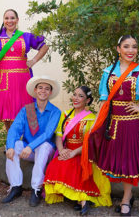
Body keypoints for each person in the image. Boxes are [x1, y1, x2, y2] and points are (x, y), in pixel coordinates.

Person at [83, 35, 139, 216]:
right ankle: (116, 194)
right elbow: (104, 101)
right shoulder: (108, 72)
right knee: (117, 161)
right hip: (112, 124)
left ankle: (126, 199)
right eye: (126, 46)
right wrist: (96, 123)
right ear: (118, 49)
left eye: (134, 47)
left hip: (132, 124)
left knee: (129, 162)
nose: (131, 50)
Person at [44, 86, 112, 216]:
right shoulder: (65, 115)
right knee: (56, 165)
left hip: (84, 152)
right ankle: (79, 199)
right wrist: (61, 150)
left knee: (79, 167)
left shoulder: (92, 119)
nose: (76, 98)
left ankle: (82, 201)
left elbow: (90, 142)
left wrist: (74, 152)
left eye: (80, 96)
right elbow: (59, 135)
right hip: (67, 150)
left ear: (87, 100)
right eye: (74, 94)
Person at [0, 9, 49, 131]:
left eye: (12, 18)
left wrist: (33, 61)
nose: (9, 21)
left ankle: (29, 142)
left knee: (28, 110)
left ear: (17, 20)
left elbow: (44, 46)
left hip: (23, 80)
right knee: (7, 114)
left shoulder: (26, 36)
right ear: (3, 20)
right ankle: (11, 142)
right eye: (6, 18)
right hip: (4, 80)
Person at [1, 76, 61, 207]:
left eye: (47, 89)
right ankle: (16, 186)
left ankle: (36, 189)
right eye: (40, 88)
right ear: (35, 90)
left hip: (45, 151)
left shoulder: (55, 112)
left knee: (44, 146)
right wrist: (10, 146)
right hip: (29, 150)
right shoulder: (27, 109)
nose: (43, 91)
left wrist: (30, 146)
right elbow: (14, 129)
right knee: (13, 145)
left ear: (50, 92)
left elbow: (48, 134)